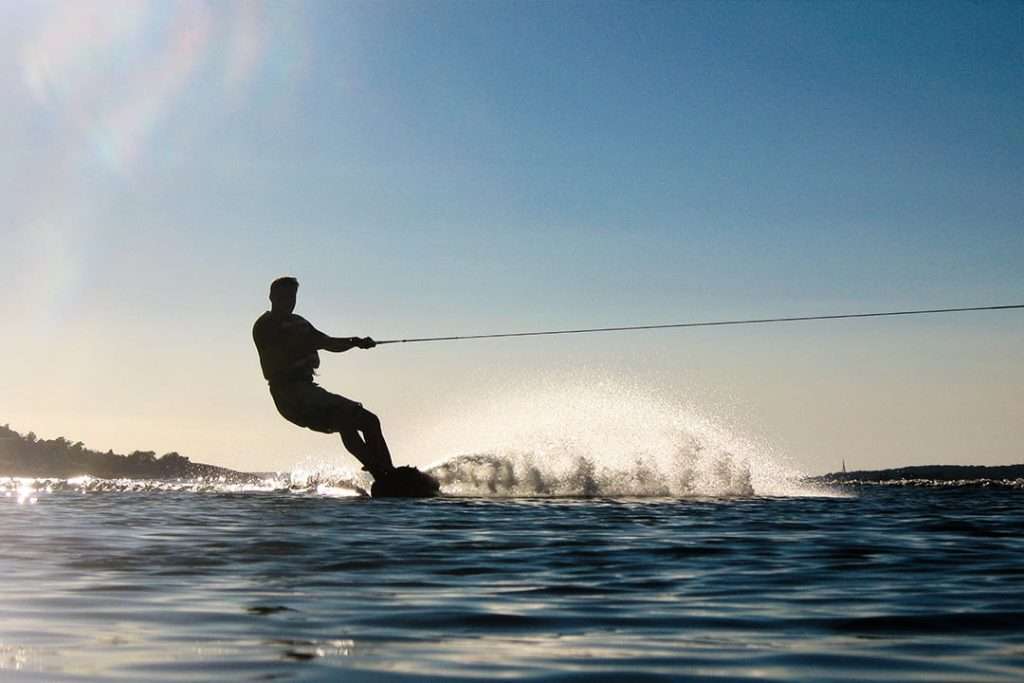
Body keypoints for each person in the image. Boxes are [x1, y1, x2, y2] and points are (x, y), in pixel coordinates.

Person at [253, 276, 395, 480]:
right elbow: (286, 349)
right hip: (289, 394)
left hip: (309, 390)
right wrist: (312, 343)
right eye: (284, 297)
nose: (289, 302)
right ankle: (382, 473)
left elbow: (327, 342)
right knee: (345, 420)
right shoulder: (265, 325)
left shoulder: (300, 323)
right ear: (272, 297)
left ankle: (388, 473)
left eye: (292, 297)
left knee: (369, 421)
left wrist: (355, 342)